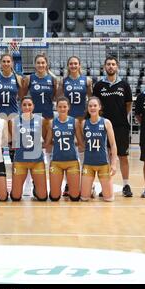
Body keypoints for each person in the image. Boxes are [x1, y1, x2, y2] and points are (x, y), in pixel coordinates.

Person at [93, 56, 133, 198]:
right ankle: (106, 186)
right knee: (106, 156)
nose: (111, 66)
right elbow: (95, 104)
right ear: (105, 67)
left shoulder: (124, 85)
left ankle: (126, 185)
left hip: (121, 125)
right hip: (102, 126)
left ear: (117, 67)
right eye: (108, 64)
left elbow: (128, 104)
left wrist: (120, 116)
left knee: (123, 156)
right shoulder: (98, 86)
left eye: (113, 64)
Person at [21, 54, 58, 195]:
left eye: (43, 62)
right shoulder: (29, 78)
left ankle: (49, 182)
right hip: (33, 118)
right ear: (35, 64)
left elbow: (55, 96)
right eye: (38, 63)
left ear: (46, 64)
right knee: (32, 150)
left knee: (49, 148)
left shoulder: (52, 79)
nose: (41, 65)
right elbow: (23, 96)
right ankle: (29, 185)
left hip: (48, 117)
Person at [62, 55, 93, 196]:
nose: (73, 66)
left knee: (82, 149)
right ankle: (69, 184)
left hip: (81, 119)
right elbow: (59, 98)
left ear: (80, 65)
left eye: (76, 63)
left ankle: (87, 184)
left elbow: (91, 99)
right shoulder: (64, 81)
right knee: (68, 151)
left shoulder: (86, 80)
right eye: (71, 64)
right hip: (68, 120)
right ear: (68, 66)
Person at [0, 53, 25, 164]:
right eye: (4, 61)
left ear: (12, 63)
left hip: (13, 112)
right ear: (0, 63)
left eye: (8, 61)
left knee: (13, 141)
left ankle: (14, 164)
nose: (6, 63)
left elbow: (22, 96)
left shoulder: (18, 78)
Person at [10, 96, 48, 201]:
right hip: (20, 161)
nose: (27, 107)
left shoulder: (41, 120)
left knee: (42, 197)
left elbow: (45, 138)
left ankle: (36, 187)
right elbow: (13, 142)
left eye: (29, 104)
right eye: (24, 105)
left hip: (37, 161)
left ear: (33, 106)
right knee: (16, 197)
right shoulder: (14, 121)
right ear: (20, 106)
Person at [45, 97, 83, 202]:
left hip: (72, 161)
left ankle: (89, 188)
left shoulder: (74, 122)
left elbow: (80, 142)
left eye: (64, 106)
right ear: (56, 108)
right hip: (56, 162)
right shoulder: (52, 122)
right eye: (60, 107)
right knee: (54, 197)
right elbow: (47, 143)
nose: (62, 109)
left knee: (75, 197)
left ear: (68, 107)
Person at [80, 97, 117, 202]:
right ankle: (90, 189)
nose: (92, 108)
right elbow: (82, 144)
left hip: (103, 164)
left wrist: (113, 164)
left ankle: (99, 188)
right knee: (84, 198)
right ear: (87, 108)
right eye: (90, 106)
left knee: (109, 199)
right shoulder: (84, 123)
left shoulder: (106, 122)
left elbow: (113, 145)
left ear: (99, 107)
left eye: (95, 105)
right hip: (88, 164)